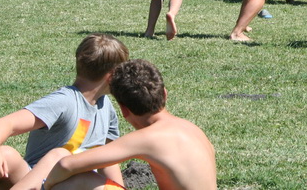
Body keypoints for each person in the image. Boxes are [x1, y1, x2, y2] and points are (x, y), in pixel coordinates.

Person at [0, 34, 130, 190]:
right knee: (6, 154)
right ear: (112, 76)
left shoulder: (107, 108)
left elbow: (109, 158)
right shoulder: (64, 101)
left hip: (73, 185)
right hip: (33, 182)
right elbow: (6, 123)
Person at [43, 59, 216, 190]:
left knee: (83, 181)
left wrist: (47, 186)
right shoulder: (192, 129)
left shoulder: (148, 138)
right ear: (165, 94)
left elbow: (66, 165)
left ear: (124, 110)